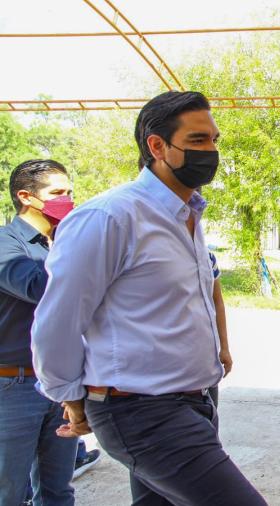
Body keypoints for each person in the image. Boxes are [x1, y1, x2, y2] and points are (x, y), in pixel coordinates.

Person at [30, 91, 266, 505]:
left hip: (195, 401)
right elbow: (59, 320)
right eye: (197, 141)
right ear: (157, 146)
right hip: (141, 412)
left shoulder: (187, 214)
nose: (211, 151)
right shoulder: (110, 217)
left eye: (214, 140)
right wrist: (70, 396)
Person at [0, 159, 77, 506]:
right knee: (10, 492)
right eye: (57, 193)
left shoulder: (64, 241)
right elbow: (36, 285)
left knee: (57, 490)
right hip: (14, 385)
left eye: (69, 192)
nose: (68, 200)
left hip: (62, 385)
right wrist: (85, 256)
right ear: (26, 197)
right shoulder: (6, 244)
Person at [208, 250, 233, 407]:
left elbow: (218, 303)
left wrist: (225, 348)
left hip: (208, 354)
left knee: (210, 413)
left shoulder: (207, 257)